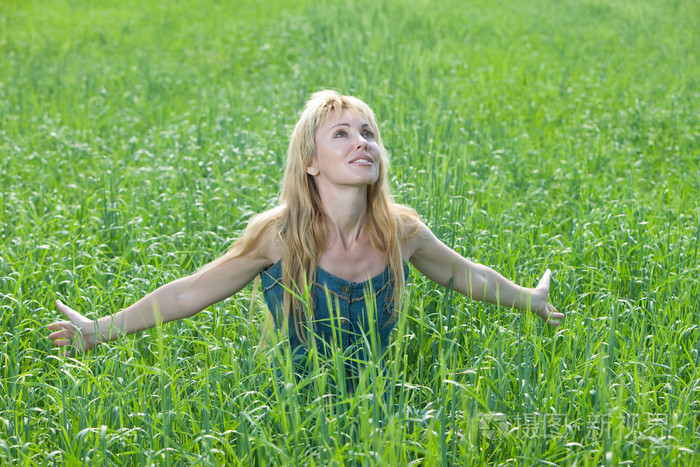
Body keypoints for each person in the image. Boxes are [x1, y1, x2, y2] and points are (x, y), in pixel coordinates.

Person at [48, 90, 563, 386]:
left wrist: (530, 300)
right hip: (292, 403)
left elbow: (466, 274)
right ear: (311, 163)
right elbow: (188, 292)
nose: (362, 142)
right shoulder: (280, 235)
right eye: (341, 133)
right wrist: (100, 330)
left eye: (369, 134)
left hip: (378, 404)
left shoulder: (400, 230)